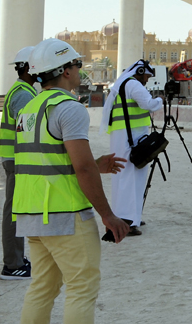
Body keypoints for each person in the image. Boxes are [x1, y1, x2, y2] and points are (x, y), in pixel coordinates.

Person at [14, 38, 128, 324]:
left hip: (32, 212)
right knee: (81, 287)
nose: (79, 70)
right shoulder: (69, 107)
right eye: (77, 65)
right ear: (65, 70)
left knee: (43, 287)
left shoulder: (30, 108)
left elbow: (47, 159)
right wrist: (108, 215)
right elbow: (82, 169)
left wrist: (94, 165)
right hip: (65, 215)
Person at [100, 59, 163, 235]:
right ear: (140, 71)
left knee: (129, 177)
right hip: (130, 137)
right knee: (128, 178)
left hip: (125, 136)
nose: (147, 81)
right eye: (147, 77)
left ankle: (132, 217)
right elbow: (148, 104)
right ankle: (126, 223)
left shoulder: (124, 84)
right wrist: (160, 99)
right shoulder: (133, 84)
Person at [0, 46, 37, 280]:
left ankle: (16, 259)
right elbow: (30, 131)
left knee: (15, 210)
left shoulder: (22, 90)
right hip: (18, 160)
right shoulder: (23, 94)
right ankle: (12, 265)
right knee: (14, 212)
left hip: (15, 159)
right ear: (30, 67)